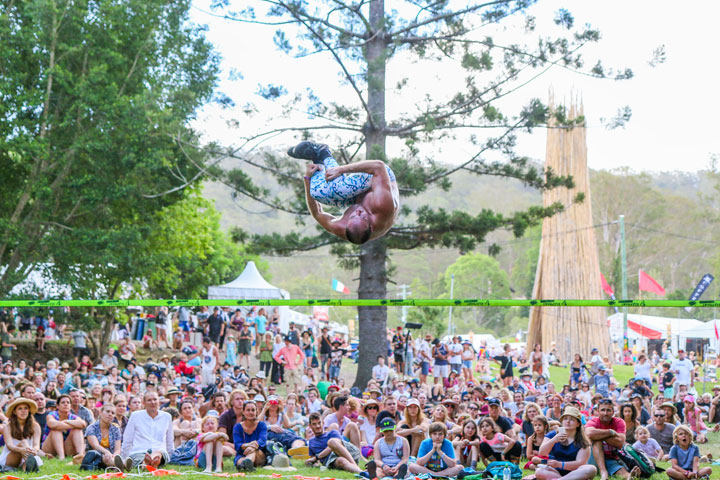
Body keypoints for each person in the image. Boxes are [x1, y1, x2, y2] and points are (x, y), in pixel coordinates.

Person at [290, 141, 400, 244]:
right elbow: (378, 166)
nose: (358, 212)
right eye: (362, 216)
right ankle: (323, 152)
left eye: (352, 216)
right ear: (371, 226)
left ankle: (317, 160)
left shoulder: (340, 228)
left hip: (360, 196)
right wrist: (341, 169)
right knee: (338, 189)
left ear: (346, 224)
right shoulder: (384, 206)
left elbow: (318, 213)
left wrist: (307, 179)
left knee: (318, 193)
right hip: (380, 177)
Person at [534, 407, 597, 480]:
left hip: (575, 473)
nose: (568, 421)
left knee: (591, 469)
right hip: (554, 471)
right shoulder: (552, 435)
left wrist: (560, 464)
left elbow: (580, 463)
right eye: (565, 418)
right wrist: (554, 440)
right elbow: (542, 452)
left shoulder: (583, 441)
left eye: (572, 419)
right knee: (539, 471)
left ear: (578, 424)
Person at [117, 391, 173, 471]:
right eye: (149, 400)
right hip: (139, 451)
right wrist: (125, 457)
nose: (152, 402)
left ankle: (149, 462)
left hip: (160, 451)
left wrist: (170, 456)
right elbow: (128, 438)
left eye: (155, 399)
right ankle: (149, 463)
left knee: (158, 453)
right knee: (140, 457)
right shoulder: (135, 416)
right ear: (144, 403)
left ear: (159, 402)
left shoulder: (167, 417)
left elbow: (169, 440)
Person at [585, 399, 635, 480]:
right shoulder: (593, 421)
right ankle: (603, 472)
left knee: (622, 472)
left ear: (612, 411)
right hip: (593, 458)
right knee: (597, 441)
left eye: (608, 410)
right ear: (598, 411)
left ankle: (630, 477)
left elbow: (620, 442)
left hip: (611, 457)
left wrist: (598, 435)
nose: (605, 413)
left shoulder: (619, 422)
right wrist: (610, 432)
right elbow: (589, 433)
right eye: (602, 410)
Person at [0, 398, 43, 472]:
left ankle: (27, 468)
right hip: (12, 456)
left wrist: (35, 450)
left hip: (28, 453)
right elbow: (10, 445)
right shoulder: (8, 427)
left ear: (29, 410)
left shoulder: (35, 426)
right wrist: (21, 450)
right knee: (24, 442)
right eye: (20, 409)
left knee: (27, 448)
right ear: (14, 412)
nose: (23, 411)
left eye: (26, 408)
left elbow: (36, 444)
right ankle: (30, 466)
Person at [42, 394, 86, 460]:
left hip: (66, 447)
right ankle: (61, 458)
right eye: (63, 402)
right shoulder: (51, 415)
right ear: (57, 406)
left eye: (68, 402)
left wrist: (65, 421)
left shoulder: (73, 417)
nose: (66, 404)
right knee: (56, 430)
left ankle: (80, 456)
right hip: (50, 447)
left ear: (70, 406)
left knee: (77, 430)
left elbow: (82, 424)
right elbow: (53, 424)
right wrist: (72, 424)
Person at [232, 400, 267, 471]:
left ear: (256, 412)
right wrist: (248, 445)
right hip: (242, 454)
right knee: (239, 461)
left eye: (253, 410)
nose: (251, 412)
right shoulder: (237, 427)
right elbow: (237, 445)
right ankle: (246, 465)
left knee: (252, 451)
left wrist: (253, 447)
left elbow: (262, 441)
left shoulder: (262, 425)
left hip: (258, 454)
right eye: (248, 410)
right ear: (243, 412)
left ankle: (246, 463)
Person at [85, 403, 122, 469]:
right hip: (95, 457)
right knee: (105, 457)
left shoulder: (116, 429)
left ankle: (119, 464)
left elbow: (118, 449)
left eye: (113, 413)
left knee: (108, 458)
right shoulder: (91, 427)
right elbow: (95, 446)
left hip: (111, 457)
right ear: (101, 412)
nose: (110, 414)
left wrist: (114, 456)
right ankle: (123, 464)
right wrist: (107, 452)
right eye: (107, 411)